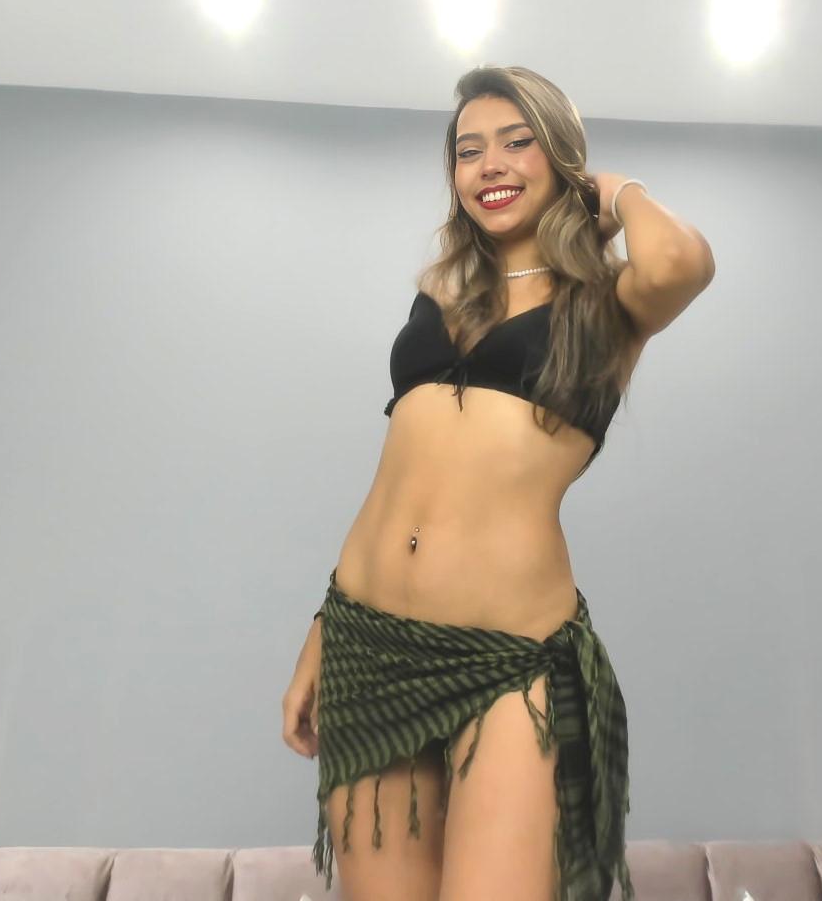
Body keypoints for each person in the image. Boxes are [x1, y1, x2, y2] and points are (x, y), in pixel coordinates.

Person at [280, 65, 715, 901]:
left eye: (518, 142)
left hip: (511, 662)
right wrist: (321, 633)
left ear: (561, 157)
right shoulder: (439, 292)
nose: (491, 165)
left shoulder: (607, 303)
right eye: (469, 150)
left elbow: (681, 261)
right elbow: (397, 483)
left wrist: (611, 191)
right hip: (367, 641)